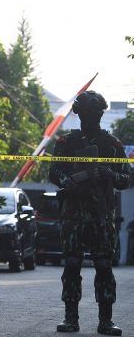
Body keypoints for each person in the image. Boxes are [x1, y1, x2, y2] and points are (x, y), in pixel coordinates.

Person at [49, 90, 130, 336]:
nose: (92, 117)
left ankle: (106, 319)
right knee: (72, 264)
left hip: (101, 215)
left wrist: (109, 174)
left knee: (104, 266)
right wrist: (68, 181)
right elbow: (53, 173)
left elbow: (126, 178)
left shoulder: (112, 144)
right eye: (86, 112)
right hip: (74, 214)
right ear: (79, 113)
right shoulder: (65, 143)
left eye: (96, 113)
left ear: (101, 113)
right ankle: (70, 318)